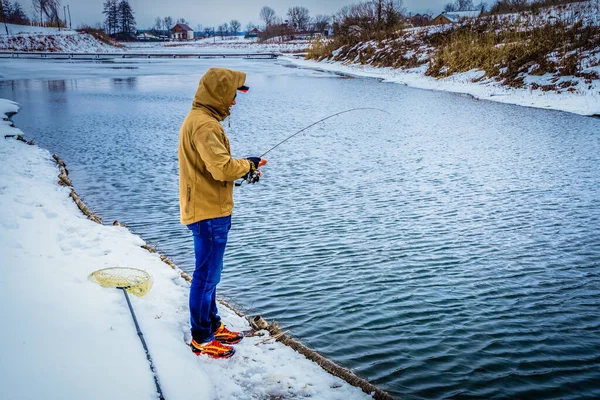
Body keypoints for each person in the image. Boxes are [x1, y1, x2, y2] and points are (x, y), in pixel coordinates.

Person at [178, 67, 267, 359]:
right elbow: (222, 168)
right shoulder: (205, 125)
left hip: (209, 208)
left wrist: (244, 169)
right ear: (218, 94)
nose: (233, 102)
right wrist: (248, 164)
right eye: (231, 96)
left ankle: (212, 325)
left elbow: (214, 170)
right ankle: (201, 337)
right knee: (206, 276)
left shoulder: (201, 120)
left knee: (211, 275)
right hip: (208, 213)